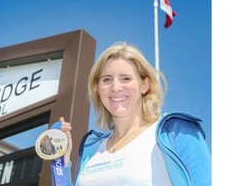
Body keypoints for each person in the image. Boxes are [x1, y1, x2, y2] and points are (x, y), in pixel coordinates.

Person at [58, 42, 211, 186]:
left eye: (125, 78)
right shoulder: (91, 149)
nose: (115, 87)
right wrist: (61, 163)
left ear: (145, 85)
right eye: (107, 79)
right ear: (97, 89)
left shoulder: (175, 131)